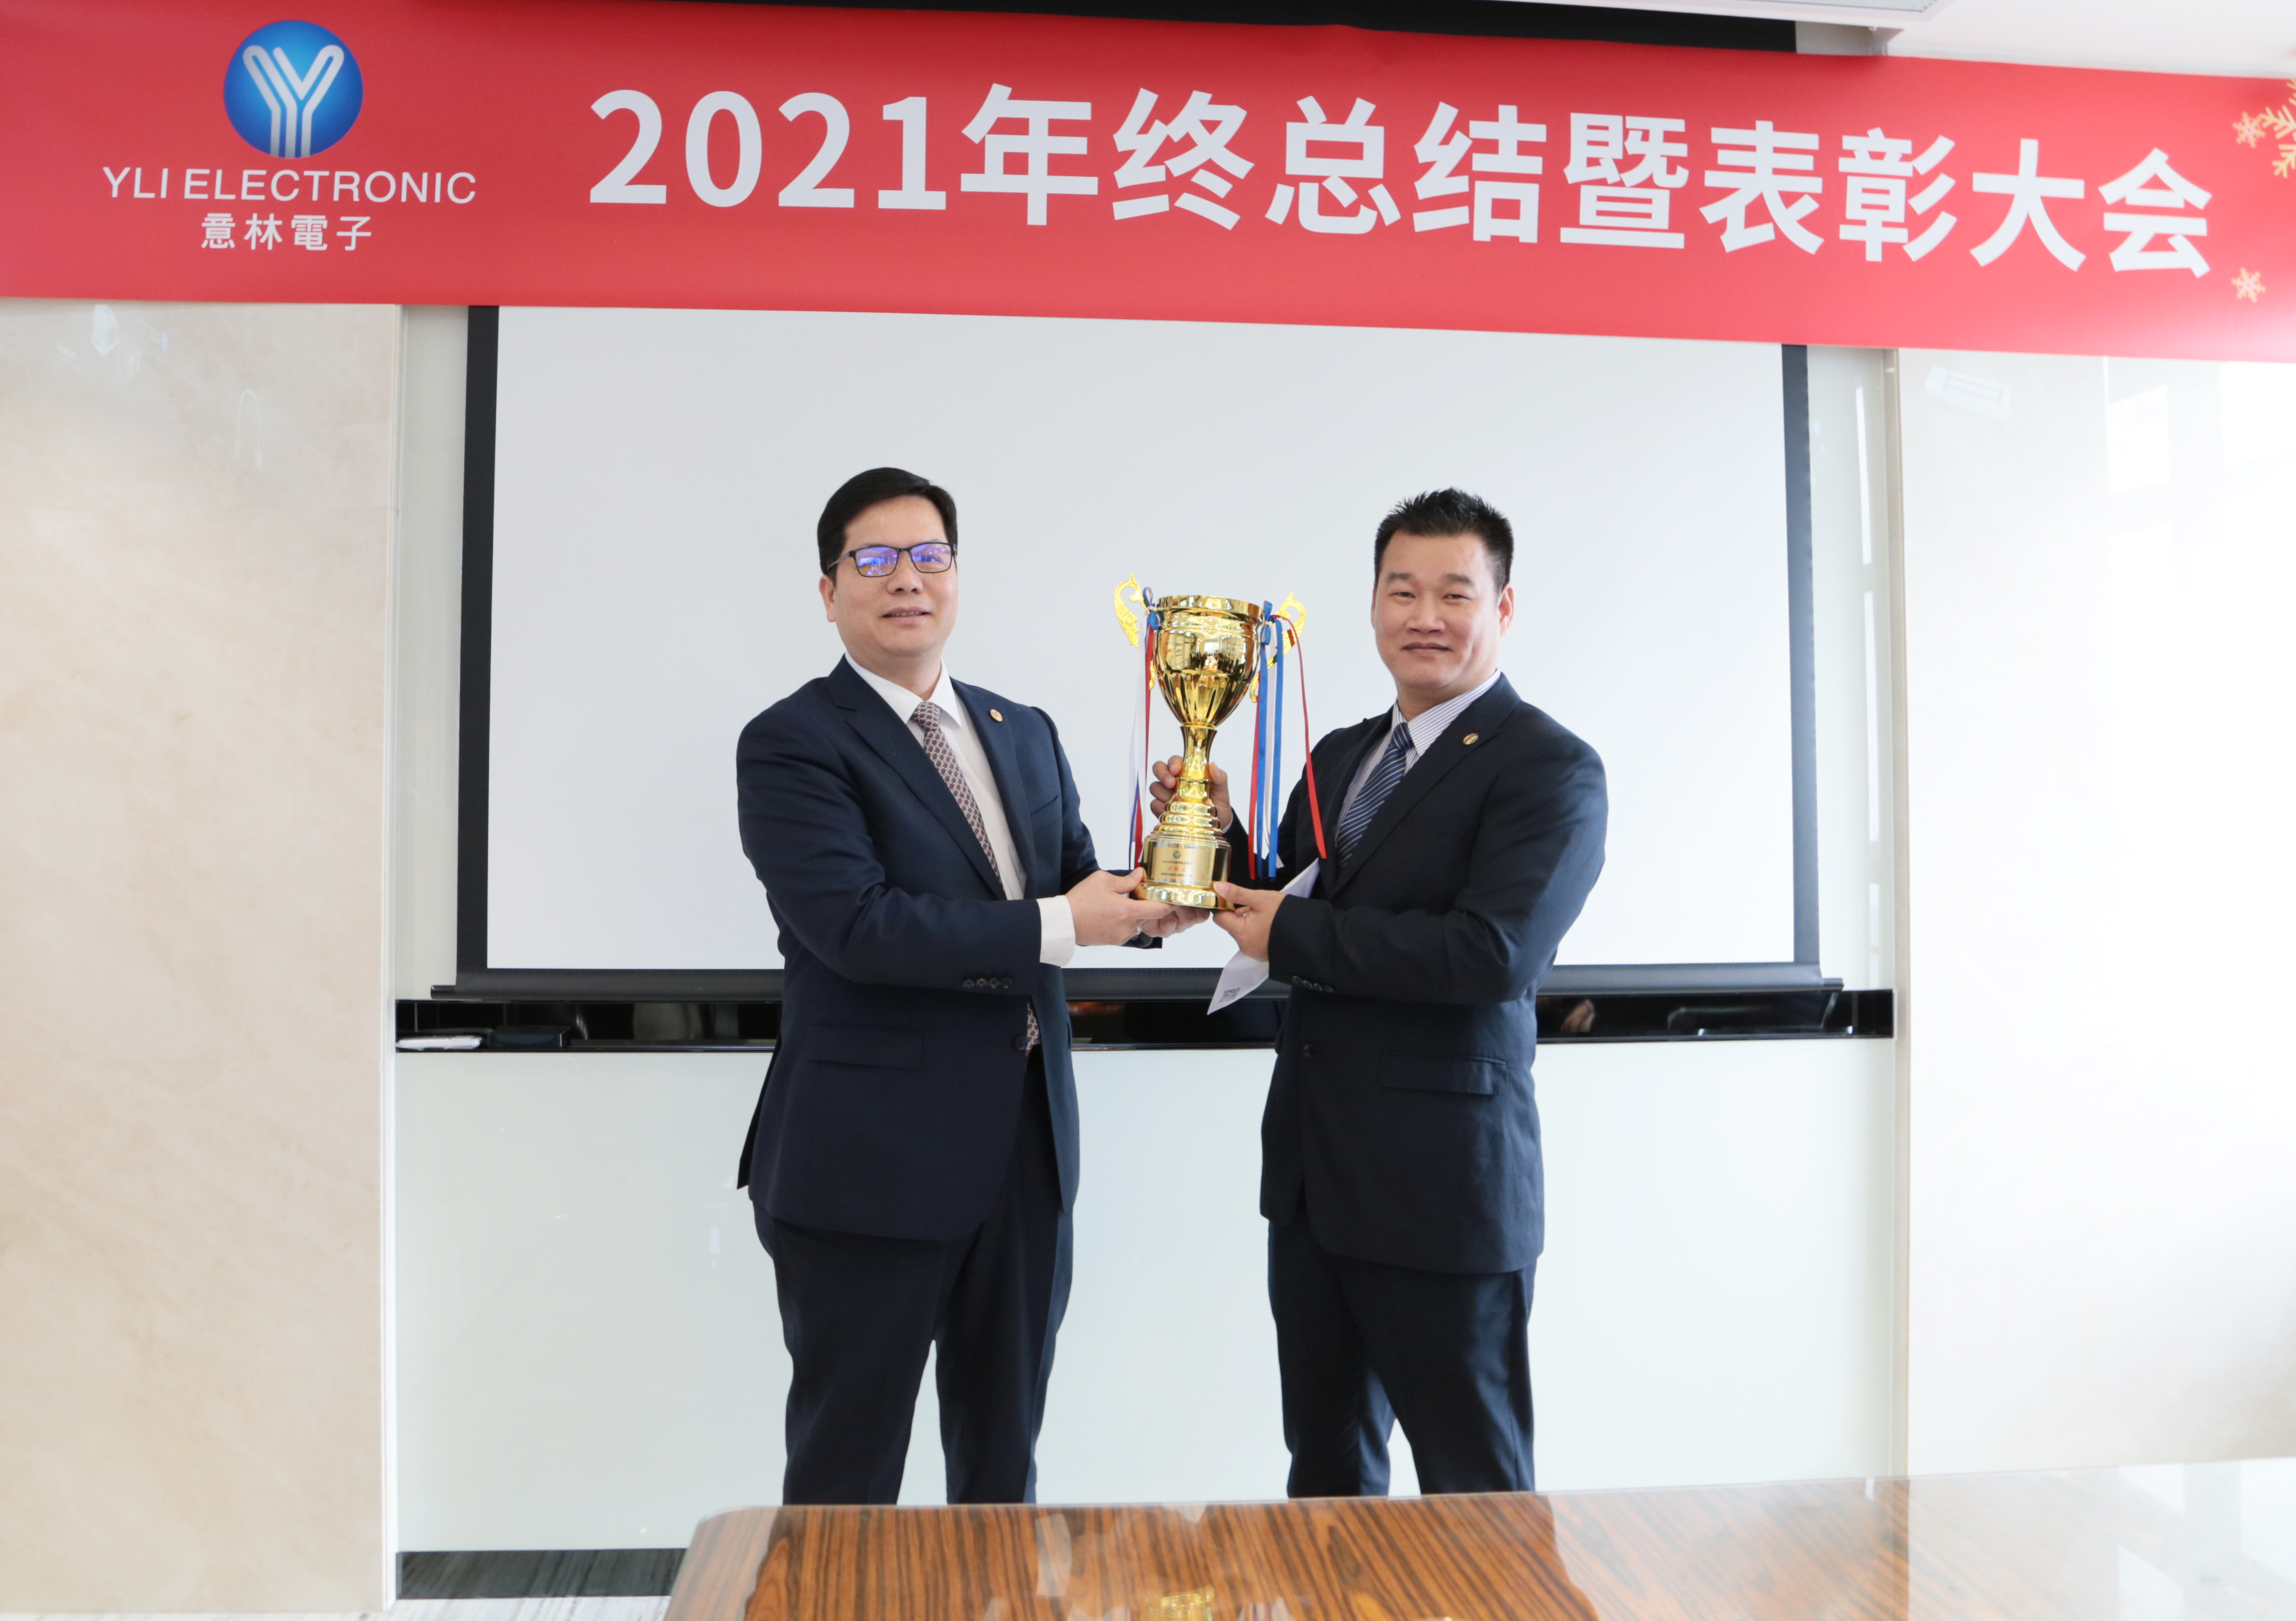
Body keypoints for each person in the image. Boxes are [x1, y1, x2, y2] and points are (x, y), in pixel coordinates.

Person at [736, 467, 1182, 1505]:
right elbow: (859, 928)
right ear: (829, 590)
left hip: (1025, 1155)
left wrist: (1170, 876)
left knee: (1001, 1474)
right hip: (867, 1167)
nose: (908, 579)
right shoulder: (794, 741)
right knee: (848, 1482)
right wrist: (1072, 920)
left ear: (956, 576)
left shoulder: (1021, 728)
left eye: (929, 555)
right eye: (875, 559)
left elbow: (1074, 882)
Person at [1150, 487, 1606, 1495]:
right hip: (1315, 1180)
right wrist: (1215, 832)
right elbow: (1298, 897)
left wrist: (1291, 928)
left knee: (1475, 1488)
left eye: (1454, 593)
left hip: (1445, 1192)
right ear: (1371, 606)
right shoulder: (1342, 755)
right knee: (1326, 1477)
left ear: (1504, 607)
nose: (1424, 616)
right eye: (1402, 591)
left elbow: (1491, 954)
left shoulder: (1551, 768)